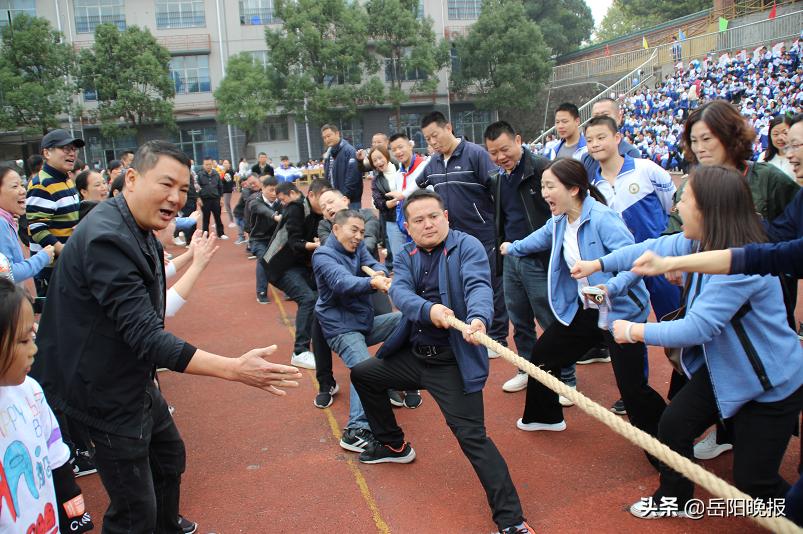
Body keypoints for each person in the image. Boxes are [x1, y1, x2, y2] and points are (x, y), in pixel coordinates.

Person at [29, 141, 303, 533]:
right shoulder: (107, 238)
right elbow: (147, 335)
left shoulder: (134, 224)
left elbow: (150, 310)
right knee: (133, 509)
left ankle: (166, 525)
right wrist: (234, 369)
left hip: (130, 376)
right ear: (132, 179)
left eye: (183, 190)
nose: (176, 198)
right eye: (166, 184)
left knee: (169, 457)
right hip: (100, 389)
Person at [573, 166, 803, 519]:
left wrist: (634, 331)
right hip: (724, 369)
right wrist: (598, 263)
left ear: (710, 209)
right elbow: (647, 250)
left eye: (686, 200)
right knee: (673, 426)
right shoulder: (698, 242)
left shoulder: (739, 259)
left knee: (754, 481)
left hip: (768, 385)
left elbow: (698, 328)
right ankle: (676, 496)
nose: (677, 207)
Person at [351, 189, 535, 534]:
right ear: (407, 227)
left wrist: (478, 318)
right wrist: (429, 310)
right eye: (418, 220)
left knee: (472, 438)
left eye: (434, 217)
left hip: (453, 361)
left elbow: (478, 285)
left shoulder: (468, 247)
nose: (428, 224)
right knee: (364, 374)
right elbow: (401, 293)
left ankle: (511, 521)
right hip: (414, 355)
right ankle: (392, 443)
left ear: (446, 217)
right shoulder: (406, 254)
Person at [500, 159, 665, 456]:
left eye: (550, 186)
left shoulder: (603, 219)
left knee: (632, 388)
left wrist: (611, 287)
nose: (544, 193)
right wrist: (512, 247)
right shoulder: (560, 220)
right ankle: (544, 417)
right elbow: (538, 239)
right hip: (590, 307)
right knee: (543, 355)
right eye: (542, 186)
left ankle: (668, 448)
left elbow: (635, 263)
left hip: (620, 311)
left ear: (574, 188)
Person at [585, 115, 680, 414]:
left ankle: (685, 385)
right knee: (629, 329)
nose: (596, 144)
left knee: (674, 322)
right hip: (624, 269)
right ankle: (635, 391)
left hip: (659, 261)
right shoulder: (592, 186)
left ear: (618, 138)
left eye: (602, 137)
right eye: (590, 140)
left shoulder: (646, 169)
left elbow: (669, 205)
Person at [0, 279, 94, 533]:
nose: (34, 349)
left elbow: (57, 460)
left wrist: (76, 514)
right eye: (22, 341)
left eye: (33, 335)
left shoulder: (30, 390)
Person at [417, 111, 510, 355]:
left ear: (449, 127)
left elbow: (499, 191)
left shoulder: (476, 154)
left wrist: (501, 228)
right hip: (452, 239)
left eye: (435, 135)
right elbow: (419, 185)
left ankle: (498, 339)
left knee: (490, 285)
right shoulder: (434, 163)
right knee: (458, 284)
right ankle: (465, 333)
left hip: (482, 234)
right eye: (428, 139)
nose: (433, 143)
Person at [312, 209, 401, 452]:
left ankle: (389, 379)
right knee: (364, 371)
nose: (359, 236)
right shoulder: (323, 255)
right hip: (341, 329)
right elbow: (342, 283)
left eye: (362, 232)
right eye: (354, 230)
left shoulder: (356, 247)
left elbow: (371, 262)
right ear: (336, 229)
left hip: (363, 322)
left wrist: (378, 271)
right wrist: (373, 282)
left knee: (406, 320)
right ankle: (356, 430)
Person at [483, 121, 554, 395]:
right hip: (511, 257)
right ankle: (527, 368)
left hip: (539, 257)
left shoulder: (542, 169)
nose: (500, 157)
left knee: (548, 318)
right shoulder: (498, 178)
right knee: (520, 320)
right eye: (493, 152)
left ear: (518, 140)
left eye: (504, 149)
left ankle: (564, 376)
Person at [262, 179, 330, 370]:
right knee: (308, 299)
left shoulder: (324, 215)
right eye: (323, 198)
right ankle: (299, 352)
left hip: (301, 265)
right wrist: (315, 245)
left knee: (321, 296)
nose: (327, 202)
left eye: (330, 198)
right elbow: (294, 242)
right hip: (279, 266)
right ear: (311, 195)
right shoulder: (296, 209)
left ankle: (323, 338)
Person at [26, 129, 85, 296]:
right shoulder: (41, 184)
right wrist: (64, 250)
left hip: (67, 263)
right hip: (51, 268)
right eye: (65, 149)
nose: (72, 153)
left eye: (74, 149)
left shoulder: (66, 180)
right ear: (46, 153)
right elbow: (37, 228)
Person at [0, 167, 54, 284]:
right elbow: (7, 274)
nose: (23, 191)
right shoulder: (1, 223)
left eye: (21, 185)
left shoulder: (8, 221)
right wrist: (43, 257)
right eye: (15, 186)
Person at [582, 97, 642, 178]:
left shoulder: (630, 153)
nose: (600, 121)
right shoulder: (587, 158)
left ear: (619, 117)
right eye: (596, 117)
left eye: (605, 116)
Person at [247, 176, 282, 304]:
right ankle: (261, 291)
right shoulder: (254, 201)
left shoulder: (281, 202)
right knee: (264, 260)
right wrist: (274, 216)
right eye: (271, 190)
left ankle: (290, 289)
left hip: (276, 239)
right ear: (263, 189)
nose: (274, 194)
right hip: (258, 239)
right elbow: (262, 210)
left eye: (276, 191)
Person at [322, 124, 362, 209]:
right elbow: (328, 177)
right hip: (336, 200)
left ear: (337, 134)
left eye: (329, 136)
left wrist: (343, 197)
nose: (327, 139)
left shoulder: (349, 151)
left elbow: (352, 178)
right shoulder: (329, 154)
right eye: (324, 138)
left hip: (350, 201)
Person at [196, 156, 226, 239]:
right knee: (206, 218)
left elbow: (220, 187)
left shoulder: (216, 174)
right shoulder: (199, 175)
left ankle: (221, 234)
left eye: (209, 164)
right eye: (206, 164)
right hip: (204, 200)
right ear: (203, 165)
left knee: (218, 217)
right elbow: (197, 188)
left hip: (216, 199)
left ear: (212, 164)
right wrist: (198, 199)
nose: (208, 166)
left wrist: (221, 199)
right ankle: (205, 235)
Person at [758, 114, 795, 180]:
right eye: (776, 134)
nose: (780, 138)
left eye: (785, 133)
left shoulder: (798, 157)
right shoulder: (764, 157)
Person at [221, 159, 237, 226]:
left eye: (226, 163)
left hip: (227, 191)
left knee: (227, 205)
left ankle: (232, 221)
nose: (225, 164)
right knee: (220, 205)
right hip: (222, 190)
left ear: (229, 164)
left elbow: (228, 181)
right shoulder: (223, 172)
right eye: (224, 163)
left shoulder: (230, 171)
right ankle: (218, 222)